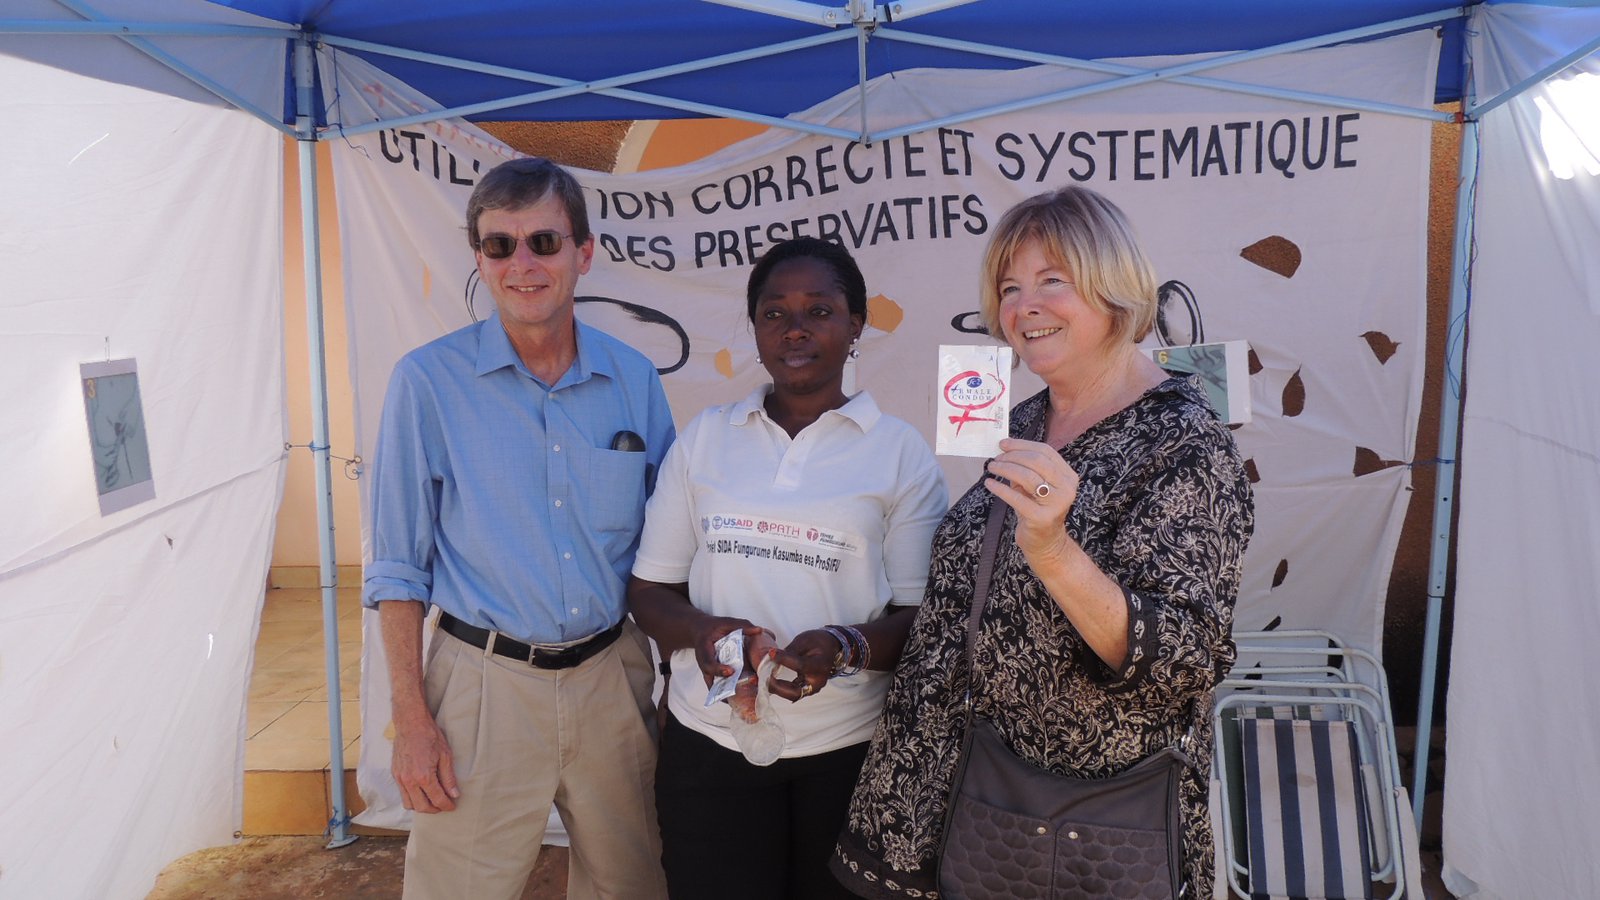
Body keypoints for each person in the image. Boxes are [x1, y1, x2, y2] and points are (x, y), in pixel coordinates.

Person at [832, 186, 1255, 898]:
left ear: (1114, 286)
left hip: (1068, 828)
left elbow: (1184, 657)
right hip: (929, 794)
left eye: (1052, 280)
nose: (1024, 305)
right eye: (1009, 287)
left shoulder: (1185, 442)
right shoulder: (1022, 418)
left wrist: (1055, 550)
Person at [362, 157, 674, 900]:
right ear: (478, 258)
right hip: (481, 687)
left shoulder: (635, 380)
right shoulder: (426, 383)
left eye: (543, 241)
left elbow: (670, 549)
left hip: (611, 679)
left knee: (631, 887)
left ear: (584, 252)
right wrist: (410, 720)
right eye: (499, 245)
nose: (522, 264)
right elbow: (397, 567)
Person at [627, 237, 949, 900]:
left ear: (855, 325)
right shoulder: (707, 438)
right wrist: (706, 632)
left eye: (819, 311)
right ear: (755, 329)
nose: (795, 329)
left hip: (849, 755)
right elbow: (648, 590)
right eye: (774, 313)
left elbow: (922, 618)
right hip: (710, 746)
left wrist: (844, 645)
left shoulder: (899, 454)